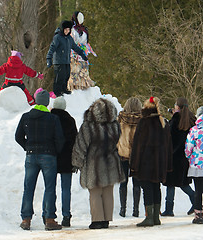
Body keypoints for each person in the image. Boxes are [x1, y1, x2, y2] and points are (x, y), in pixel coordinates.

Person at [15, 90, 65, 231]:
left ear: (36, 101)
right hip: (48, 155)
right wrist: (55, 151)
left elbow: (18, 136)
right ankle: (49, 219)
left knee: (28, 187)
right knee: (49, 187)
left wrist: (27, 147)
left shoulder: (26, 117)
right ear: (47, 103)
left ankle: (26, 219)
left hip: (31, 155)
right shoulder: (53, 118)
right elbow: (60, 139)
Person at [72, 98, 125, 229]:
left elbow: (81, 145)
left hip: (93, 164)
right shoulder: (115, 125)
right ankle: (106, 219)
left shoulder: (88, 126)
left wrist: (76, 162)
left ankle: (97, 220)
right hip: (111, 162)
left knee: (95, 192)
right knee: (108, 191)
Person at [130, 96, 173, 227]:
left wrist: (134, 165)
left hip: (146, 162)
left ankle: (149, 217)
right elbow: (168, 145)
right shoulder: (163, 122)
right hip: (159, 162)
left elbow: (137, 145)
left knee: (147, 188)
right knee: (156, 187)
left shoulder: (144, 122)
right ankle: (155, 217)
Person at [162, 98, 196, 217]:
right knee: (182, 183)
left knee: (170, 183)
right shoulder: (191, 120)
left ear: (178, 107)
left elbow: (169, 137)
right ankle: (196, 201)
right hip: (184, 157)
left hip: (172, 156)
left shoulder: (175, 120)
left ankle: (169, 209)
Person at [50, 97, 78, 227]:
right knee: (66, 189)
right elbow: (75, 140)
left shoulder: (49, 118)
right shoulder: (70, 120)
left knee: (50, 188)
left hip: (52, 157)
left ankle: (49, 214)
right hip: (67, 159)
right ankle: (66, 216)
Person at [46, 20, 88, 97]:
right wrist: (49, 59)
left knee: (66, 75)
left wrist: (82, 54)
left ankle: (64, 89)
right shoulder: (57, 37)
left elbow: (75, 47)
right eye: (65, 30)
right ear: (62, 29)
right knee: (60, 77)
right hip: (58, 61)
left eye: (68, 30)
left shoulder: (69, 38)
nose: (67, 31)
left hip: (66, 60)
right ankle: (57, 91)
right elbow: (52, 48)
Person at [117, 97, 142, 217]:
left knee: (123, 182)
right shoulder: (142, 120)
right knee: (137, 183)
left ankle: (123, 209)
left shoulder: (120, 119)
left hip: (122, 154)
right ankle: (136, 210)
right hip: (137, 155)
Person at [67, 11, 97, 91]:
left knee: (83, 74)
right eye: (79, 17)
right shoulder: (71, 30)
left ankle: (84, 90)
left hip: (83, 56)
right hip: (73, 56)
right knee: (74, 74)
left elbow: (86, 42)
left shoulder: (84, 30)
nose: (81, 19)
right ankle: (73, 90)